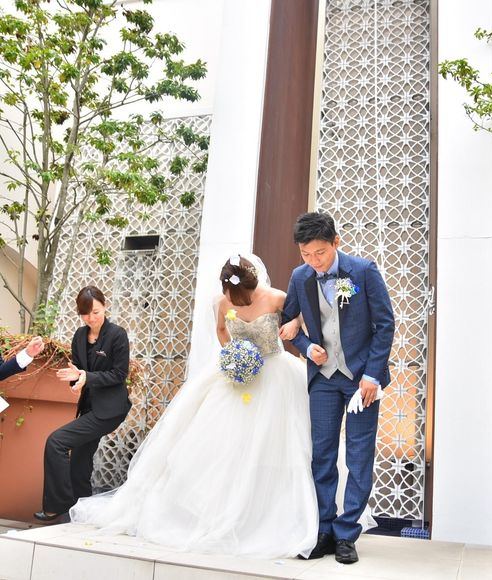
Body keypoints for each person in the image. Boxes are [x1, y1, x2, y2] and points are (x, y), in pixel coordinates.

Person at [70, 256, 319, 559]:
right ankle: (217, 511)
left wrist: (294, 323)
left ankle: (266, 512)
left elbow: (304, 318)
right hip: (237, 375)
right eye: (231, 298)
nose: (235, 302)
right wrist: (234, 355)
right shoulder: (221, 301)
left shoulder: (277, 297)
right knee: (221, 445)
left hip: (275, 374)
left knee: (274, 443)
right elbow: (221, 330)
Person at [282, 212, 395, 565]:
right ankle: (324, 530)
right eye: (306, 254)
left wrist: (372, 375)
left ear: (336, 242)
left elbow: (385, 324)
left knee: (359, 456)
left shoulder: (362, 270)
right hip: (323, 379)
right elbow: (287, 321)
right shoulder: (300, 277)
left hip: (361, 379)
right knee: (322, 455)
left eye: (320, 253)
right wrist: (306, 347)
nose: (314, 261)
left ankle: (347, 534)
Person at [34, 286, 132, 522]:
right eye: (85, 314)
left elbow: (119, 374)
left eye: (96, 312)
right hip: (89, 407)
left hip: (110, 409)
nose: (91, 318)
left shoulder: (117, 335)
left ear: (104, 306)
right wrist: (76, 380)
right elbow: (78, 371)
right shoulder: (79, 335)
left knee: (56, 441)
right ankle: (80, 514)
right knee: (79, 461)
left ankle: (58, 505)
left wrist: (87, 377)